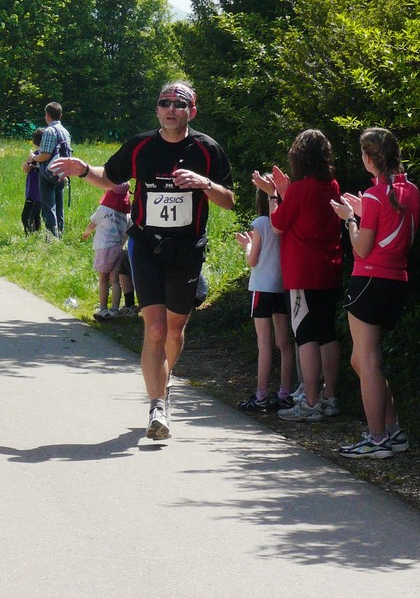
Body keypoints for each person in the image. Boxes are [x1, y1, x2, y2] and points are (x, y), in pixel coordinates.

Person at [51, 81, 235, 440]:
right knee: (154, 328)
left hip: (187, 249)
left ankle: (162, 386)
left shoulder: (206, 148)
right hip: (145, 246)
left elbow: (229, 199)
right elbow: (111, 177)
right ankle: (158, 405)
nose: (171, 109)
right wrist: (85, 169)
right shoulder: (141, 146)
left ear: (191, 111)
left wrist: (203, 183)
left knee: (175, 331)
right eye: (164, 103)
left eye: (179, 105)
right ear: (157, 110)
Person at [331, 128, 420, 459]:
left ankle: (377, 437)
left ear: (369, 158)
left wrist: (350, 219)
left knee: (367, 359)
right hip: (397, 280)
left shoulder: (372, 196)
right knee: (363, 358)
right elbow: (392, 224)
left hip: (369, 280)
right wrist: (363, 210)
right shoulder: (411, 190)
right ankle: (393, 431)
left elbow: (362, 248)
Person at [252, 129, 342, 422]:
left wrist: (275, 195)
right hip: (329, 268)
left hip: (302, 273)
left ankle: (310, 402)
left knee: (305, 335)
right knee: (327, 333)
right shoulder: (332, 185)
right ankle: (329, 398)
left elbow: (278, 224)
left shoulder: (302, 188)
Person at [235, 181, 295, 412]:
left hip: (261, 286)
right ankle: (285, 392)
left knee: (264, 343)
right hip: (281, 286)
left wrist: (248, 246)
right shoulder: (286, 222)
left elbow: (253, 260)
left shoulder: (260, 223)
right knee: (284, 342)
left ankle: (261, 395)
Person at [82, 183, 132, 321]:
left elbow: (93, 223)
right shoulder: (126, 213)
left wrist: (86, 233)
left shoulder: (104, 208)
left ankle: (103, 309)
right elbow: (129, 230)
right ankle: (115, 309)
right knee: (115, 280)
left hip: (104, 248)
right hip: (118, 248)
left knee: (103, 280)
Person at [26, 102, 72, 238]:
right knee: (59, 206)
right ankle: (60, 234)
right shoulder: (65, 132)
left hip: (48, 173)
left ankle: (52, 237)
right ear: (60, 115)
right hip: (63, 172)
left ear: (47, 115)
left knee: (48, 207)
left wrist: (33, 157)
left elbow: (45, 155)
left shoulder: (49, 131)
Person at [21, 128, 44, 234]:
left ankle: (30, 236)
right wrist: (30, 160)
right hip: (32, 191)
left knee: (27, 216)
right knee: (33, 216)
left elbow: (25, 168)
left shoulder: (40, 155)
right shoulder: (37, 154)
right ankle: (34, 234)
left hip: (37, 191)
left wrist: (31, 159)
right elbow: (25, 168)